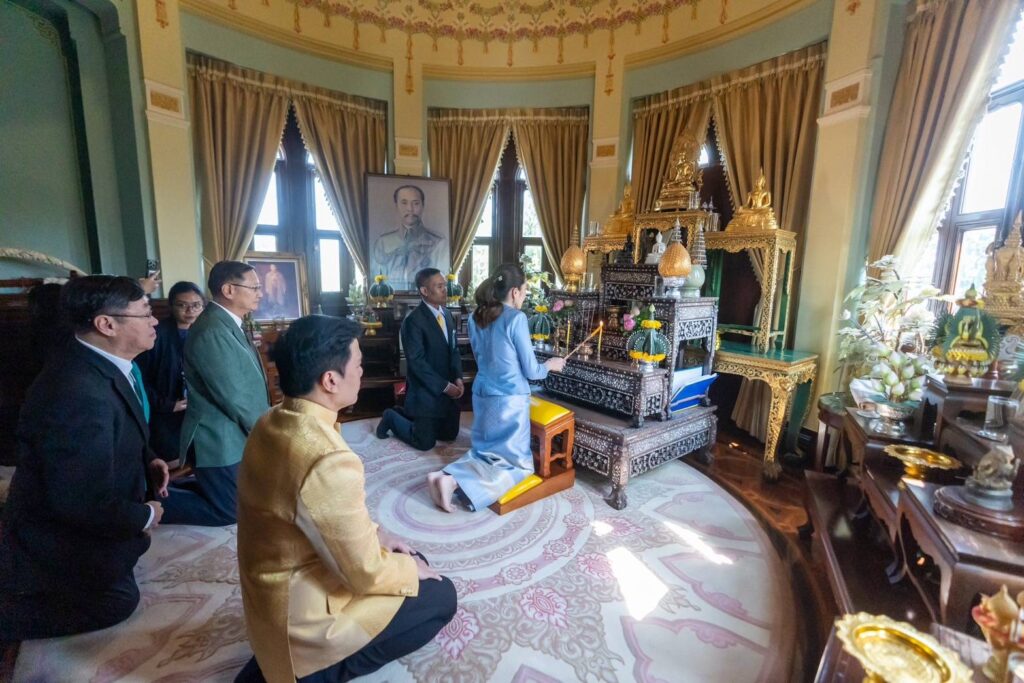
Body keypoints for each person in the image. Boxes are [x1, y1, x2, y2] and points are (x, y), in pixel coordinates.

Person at [235, 315, 456, 683]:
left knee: (412, 560)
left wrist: (381, 536)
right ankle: (310, 672)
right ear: (330, 380)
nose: (361, 372)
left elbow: (317, 513)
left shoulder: (271, 421)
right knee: (440, 594)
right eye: (358, 364)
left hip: (270, 599)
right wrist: (408, 570)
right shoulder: (326, 457)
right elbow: (364, 573)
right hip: (303, 619)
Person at [0, 276, 169, 641]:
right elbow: (78, 500)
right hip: (55, 534)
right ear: (106, 324)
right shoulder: (76, 391)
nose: (155, 320)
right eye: (145, 313)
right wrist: (146, 515)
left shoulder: (101, 361)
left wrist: (149, 458)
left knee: (120, 572)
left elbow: (124, 422)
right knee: (116, 601)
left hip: (90, 511)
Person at [426, 264, 566, 512]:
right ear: (514, 292)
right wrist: (551, 365)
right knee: (518, 466)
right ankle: (453, 481)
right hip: (509, 399)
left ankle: (444, 475)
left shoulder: (476, 316)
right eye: (524, 291)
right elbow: (532, 371)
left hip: (482, 393)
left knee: (484, 453)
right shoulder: (516, 318)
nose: (524, 296)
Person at [161, 261, 269, 527]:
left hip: (233, 433)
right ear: (229, 290)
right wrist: (267, 435)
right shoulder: (212, 330)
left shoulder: (226, 322)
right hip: (217, 439)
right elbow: (234, 395)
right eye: (254, 287)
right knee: (230, 511)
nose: (260, 293)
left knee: (250, 495)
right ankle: (146, 503)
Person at [376, 268, 463, 450]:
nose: (445, 290)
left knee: (449, 435)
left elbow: (454, 350)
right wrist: (446, 387)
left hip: (448, 392)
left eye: (444, 285)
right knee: (424, 443)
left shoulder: (447, 315)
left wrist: (458, 378)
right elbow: (417, 363)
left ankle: (407, 414)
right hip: (425, 393)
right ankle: (391, 416)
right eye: (439, 286)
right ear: (424, 291)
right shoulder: (413, 321)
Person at [137, 281, 205, 462]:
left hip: (200, 411)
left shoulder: (207, 331)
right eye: (182, 305)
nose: (190, 310)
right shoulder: (155, 335)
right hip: (166, 412)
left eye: (196, 305)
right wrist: (166, 405)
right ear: (171, 306)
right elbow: (140, 378)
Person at [371, 185, 448, 289]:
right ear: (396, 206)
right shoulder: (383, 243)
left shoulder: (439, 243)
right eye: (404, 203)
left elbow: (441, 283)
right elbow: (377, 280)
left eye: (416, 203)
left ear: (423, 206)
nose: (410, 209)